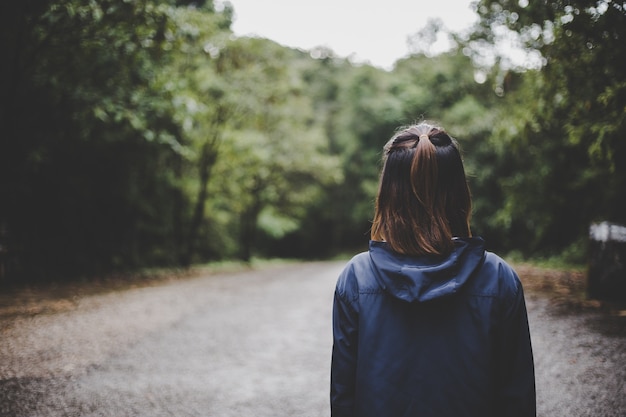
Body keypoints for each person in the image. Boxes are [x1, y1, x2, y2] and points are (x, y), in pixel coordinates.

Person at [330, 122, 536, 417]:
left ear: (388, 195)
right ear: (460, 193)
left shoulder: (356, 279)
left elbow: (343, 398)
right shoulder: (499, 279)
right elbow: (517, 399)